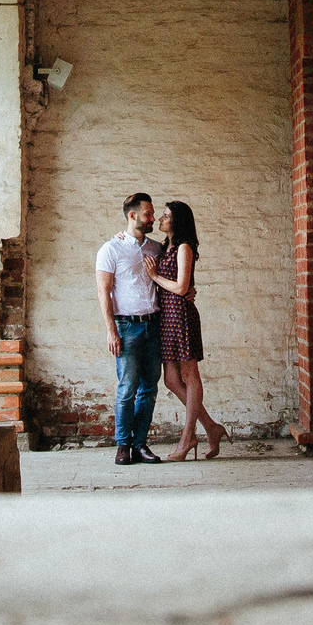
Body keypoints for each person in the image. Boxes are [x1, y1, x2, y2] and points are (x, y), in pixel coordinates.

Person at [95, 191, 164, 466]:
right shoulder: (110, 249)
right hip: (126, 326)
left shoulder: (155, 248)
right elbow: (103, 291)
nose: (153, 218)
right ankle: (122, 446)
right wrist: (111, 330)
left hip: (154, 325)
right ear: (132, 215)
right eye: (148, 214)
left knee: (150, 389)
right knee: (127, 388)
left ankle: (140, 444)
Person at [154, 200, 225, 459]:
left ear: (177, 221)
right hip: (167, 319)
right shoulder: (165, 247)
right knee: (171, 380)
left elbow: (182, 288)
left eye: (165, 216)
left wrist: (155, 277)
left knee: (189, 374)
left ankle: (187, 438)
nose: (161, 220)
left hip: (181, 315)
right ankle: (211, 427)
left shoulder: (184, 248)